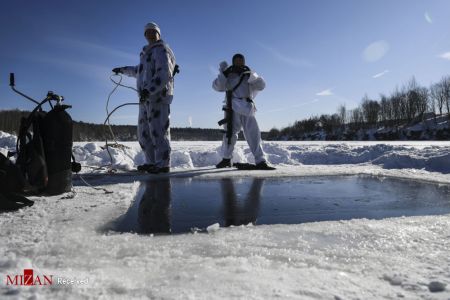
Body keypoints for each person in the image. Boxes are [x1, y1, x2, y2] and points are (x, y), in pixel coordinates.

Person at [112, 22, 176, 174]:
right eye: (147, 32)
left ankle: (163, 164)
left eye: (153, 32)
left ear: (159, 34)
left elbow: (164, 73)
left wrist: (150, 89)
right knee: (144, 133)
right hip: (145, 99)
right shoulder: (145, 54)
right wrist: (121, 70)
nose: (150, 34)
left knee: (159, 131)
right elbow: (138, 71)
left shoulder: (162, 50)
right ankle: (151, 161)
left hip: (159, 97)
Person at [212, 53, 274, 170]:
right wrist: (222, 72)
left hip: (247, 107)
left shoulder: (248, 74)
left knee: (253, 134)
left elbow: (262, 85)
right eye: (237, 60)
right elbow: (217, 87)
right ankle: (226, 159)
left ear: (244, 61)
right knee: (229, 134)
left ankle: (260, 161)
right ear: (233, 61)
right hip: (232, 107)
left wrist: (252, 75)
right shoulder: (228, 74)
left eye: (241, 60)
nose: (239, 62)